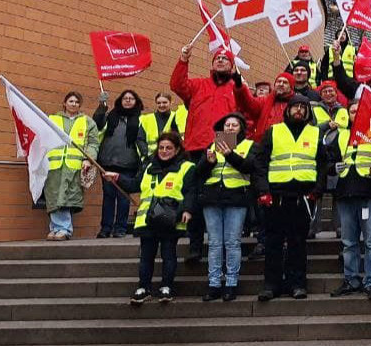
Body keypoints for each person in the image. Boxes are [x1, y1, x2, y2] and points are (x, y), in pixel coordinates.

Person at [171, 45, 244, 262]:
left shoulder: (236, 87)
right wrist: (183, 59)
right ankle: (195, 246)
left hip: (223, 144)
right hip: (196, 145)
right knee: (194, 196)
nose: (220, 60)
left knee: (219, 196)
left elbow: (246, 109)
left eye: (225, 58)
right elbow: (177, 85)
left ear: (232, 66)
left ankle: (219, 245)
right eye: (217, 58)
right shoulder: (199, 84)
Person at [252, 95, 328, 301]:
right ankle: (271, 285)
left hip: (302, 198)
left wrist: (317, 192)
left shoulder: (315, 133)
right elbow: (260, 164)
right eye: (295, 107)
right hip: (275, 197)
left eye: (303, 108)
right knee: (273, 243)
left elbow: (323, 165)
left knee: (298, 244)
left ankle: (298, 284)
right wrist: (263, 191)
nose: (299, 111)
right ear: (287, 110)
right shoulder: (273, 132)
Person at [110, 131, 195, 305]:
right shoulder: (149, 167)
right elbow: (135, 185)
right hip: (147, 220)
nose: (164, 151)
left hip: (171, 219)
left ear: (177, 149)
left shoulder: (187, 167)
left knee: (168, 255)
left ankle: (166, 286)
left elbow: (190, 192)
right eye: (161, 147)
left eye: (169, 148)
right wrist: (117, 178)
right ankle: (143, 287)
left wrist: (187, 210)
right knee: (146, 256)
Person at [330, 99, 371, 300]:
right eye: (352, 111)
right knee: (349, 241)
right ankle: (351, 279)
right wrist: (333, 168)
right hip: (346, 193)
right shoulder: (341, 135)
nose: (355, 114)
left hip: (368, 194)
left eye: (359, 111)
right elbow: (328, 161)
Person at [192, 113, 254, 301]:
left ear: (241, 128)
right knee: (214, 243)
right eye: (227, 125)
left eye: (234, 125)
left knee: (232, 242)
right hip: (213, 199)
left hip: (236, 198)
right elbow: (198, 173)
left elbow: (249, 167)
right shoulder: (213, 146)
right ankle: (214, 283)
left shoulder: (248, 145)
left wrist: (230, 154)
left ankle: (231, 283)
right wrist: (207, 162)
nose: (230, 128)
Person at [43, 91, 100, 241]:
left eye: (76, 102)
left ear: (79, 105)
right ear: (64, 103)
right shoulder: (52, 119)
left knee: (67, 197)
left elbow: (93, 144)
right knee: (54, 197)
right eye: (71, 101)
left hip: (75, 166)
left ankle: (64, 229)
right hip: (54, 165)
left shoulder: (88, 122)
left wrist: (89, 159)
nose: (73, 104)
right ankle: (55, 228)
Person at [93, 90, 145, 238]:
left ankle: (120, 228)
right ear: (120, 100)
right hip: (107, 162)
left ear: (136, 101)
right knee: (108, 196)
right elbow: (96, 124)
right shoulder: (111, 116)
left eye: (131, 98)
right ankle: (105, 228)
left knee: (123, 197)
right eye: (125, 98)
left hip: (129, 164)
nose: (128, 100)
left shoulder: (141, 120)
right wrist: (102, 106)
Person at [139, 93, 186, 158]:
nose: (161, 105)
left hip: (170, 157)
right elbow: (140, 139)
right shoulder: (146, 119)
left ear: (171, 102)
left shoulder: (176, 118)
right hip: (150, 158)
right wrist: (147, 154)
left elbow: (179, 139)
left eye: (164, 102)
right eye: (159, 103)